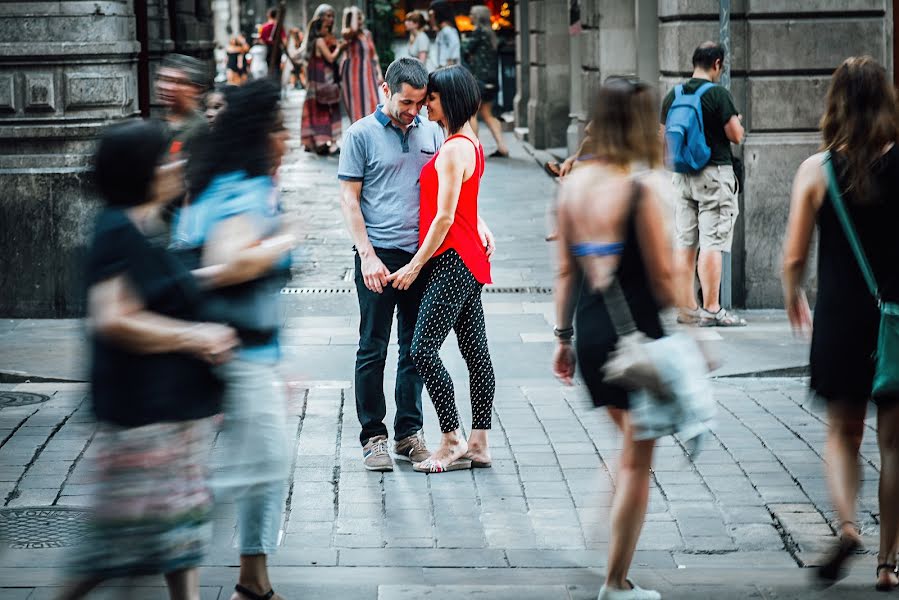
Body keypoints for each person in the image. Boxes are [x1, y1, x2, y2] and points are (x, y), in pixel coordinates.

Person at [58, 120, 237, 600]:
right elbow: (114, 318)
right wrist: (195, 336)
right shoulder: (117, 228)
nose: (178, 164)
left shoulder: (149, 224)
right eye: (168, 157)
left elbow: (157, 295)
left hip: (172, 417)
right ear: (142, 170)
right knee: (111, 549)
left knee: (178, 536)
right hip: (142, 420)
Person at [552, 77, 675, 600]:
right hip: (636, 333)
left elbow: (564, 273)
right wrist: (691, 324)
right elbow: (666, 277)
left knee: (629, 446)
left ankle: (601, 523)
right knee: (638, 461)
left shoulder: (572, 184)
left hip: (593, 329)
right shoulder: (637, 188)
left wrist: (563, 338)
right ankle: (616, 581)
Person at [174, 79, 297, 600]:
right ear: (261, 134)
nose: (288, 138)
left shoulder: (234, 181)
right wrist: (287, 236)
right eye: (280, 128)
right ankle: (171, 546)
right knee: (263, 462)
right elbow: (229, 263)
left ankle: (253, 579)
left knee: (263, 464)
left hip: (248, 351)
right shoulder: (239, 189)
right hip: (233, 351)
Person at [782, 55, 899, 592]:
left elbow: (792, 259)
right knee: (893, 444)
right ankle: (887, 564)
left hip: (842, 319)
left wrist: (793, 297)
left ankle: (848, 526)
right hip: (896, 318)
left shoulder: (817, 171)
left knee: (841, 434)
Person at [386, 65, 496, 473]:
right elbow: (467, 205)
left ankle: (451, 440)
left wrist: (416, 265)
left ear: (447, 99)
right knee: (475, 353)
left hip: (452, 261)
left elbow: (445, 217)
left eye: (430, 98)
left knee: (421, 349)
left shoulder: (452, 150)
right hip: (469, 259)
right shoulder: (471, 142)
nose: (425, 104)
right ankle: (479, 444)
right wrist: (482, 224)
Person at [337, 58, 445, 471]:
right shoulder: (360, 134)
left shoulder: (431, 132)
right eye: (405, 102)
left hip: (420, 258)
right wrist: (366, 255)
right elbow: (350, 200)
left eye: (419, 103)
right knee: (372, 348)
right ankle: (373, 436)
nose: (412, 111)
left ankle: (408, 433)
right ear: (386, 89)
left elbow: (449, 191)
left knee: (416, 350)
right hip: (377, 257)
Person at [660, 41, 745, 327]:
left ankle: (686, 307)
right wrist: (738, 122)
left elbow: (664, 137)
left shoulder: (674, 94)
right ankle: (711, 309)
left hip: (682, 176)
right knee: (712, 243)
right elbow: (736, 136)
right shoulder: (718, 94)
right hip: (714, 175)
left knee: (685, 242)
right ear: (717, 64)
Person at [300, 4, 346, 155]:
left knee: (322, 109)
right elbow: (331, 58)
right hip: (322, 78)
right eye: (327, 16)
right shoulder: (319, 40)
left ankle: (321, 141)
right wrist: (341, 48)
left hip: (323, 78)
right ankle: (322, 141)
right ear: (320, 18)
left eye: (332, 16)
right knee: (324, 108)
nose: (330, 19)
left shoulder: (324, 38)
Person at [463, 5, 509, 158]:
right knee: (487, 113)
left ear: (477, 17)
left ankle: (474, 151)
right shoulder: (491, 34)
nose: (469, 16)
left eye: (471, 14)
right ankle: (502, 147)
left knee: (472, 114)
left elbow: (467, 50)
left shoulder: (478, 33)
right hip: (492, 80)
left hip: (480, 80)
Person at [156, 53, 209, 157]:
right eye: (164, 79)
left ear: (196, 89)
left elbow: (172, 157)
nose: (168, 87)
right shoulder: (163, 122)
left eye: (179, 82)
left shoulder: (197, 128)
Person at [339, 6, 383, 123]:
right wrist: (352, 11)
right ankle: (359, 133)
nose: (358, 21)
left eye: (359, 17)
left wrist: (379, 73)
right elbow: (352, 29)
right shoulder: (348, 33)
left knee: (372, 101)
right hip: (353, 73)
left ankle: (372, 130)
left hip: (368, 72)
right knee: (356, 104)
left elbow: (374, 55)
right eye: (355, 18)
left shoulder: (367, 34)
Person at [429, 1, 460, 68]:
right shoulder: (443, 30)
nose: (430, 18)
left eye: (432, 15)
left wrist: (449, 63)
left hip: (446, 68)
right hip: (443, 67)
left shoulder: (447, 30)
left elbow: (455, 46)